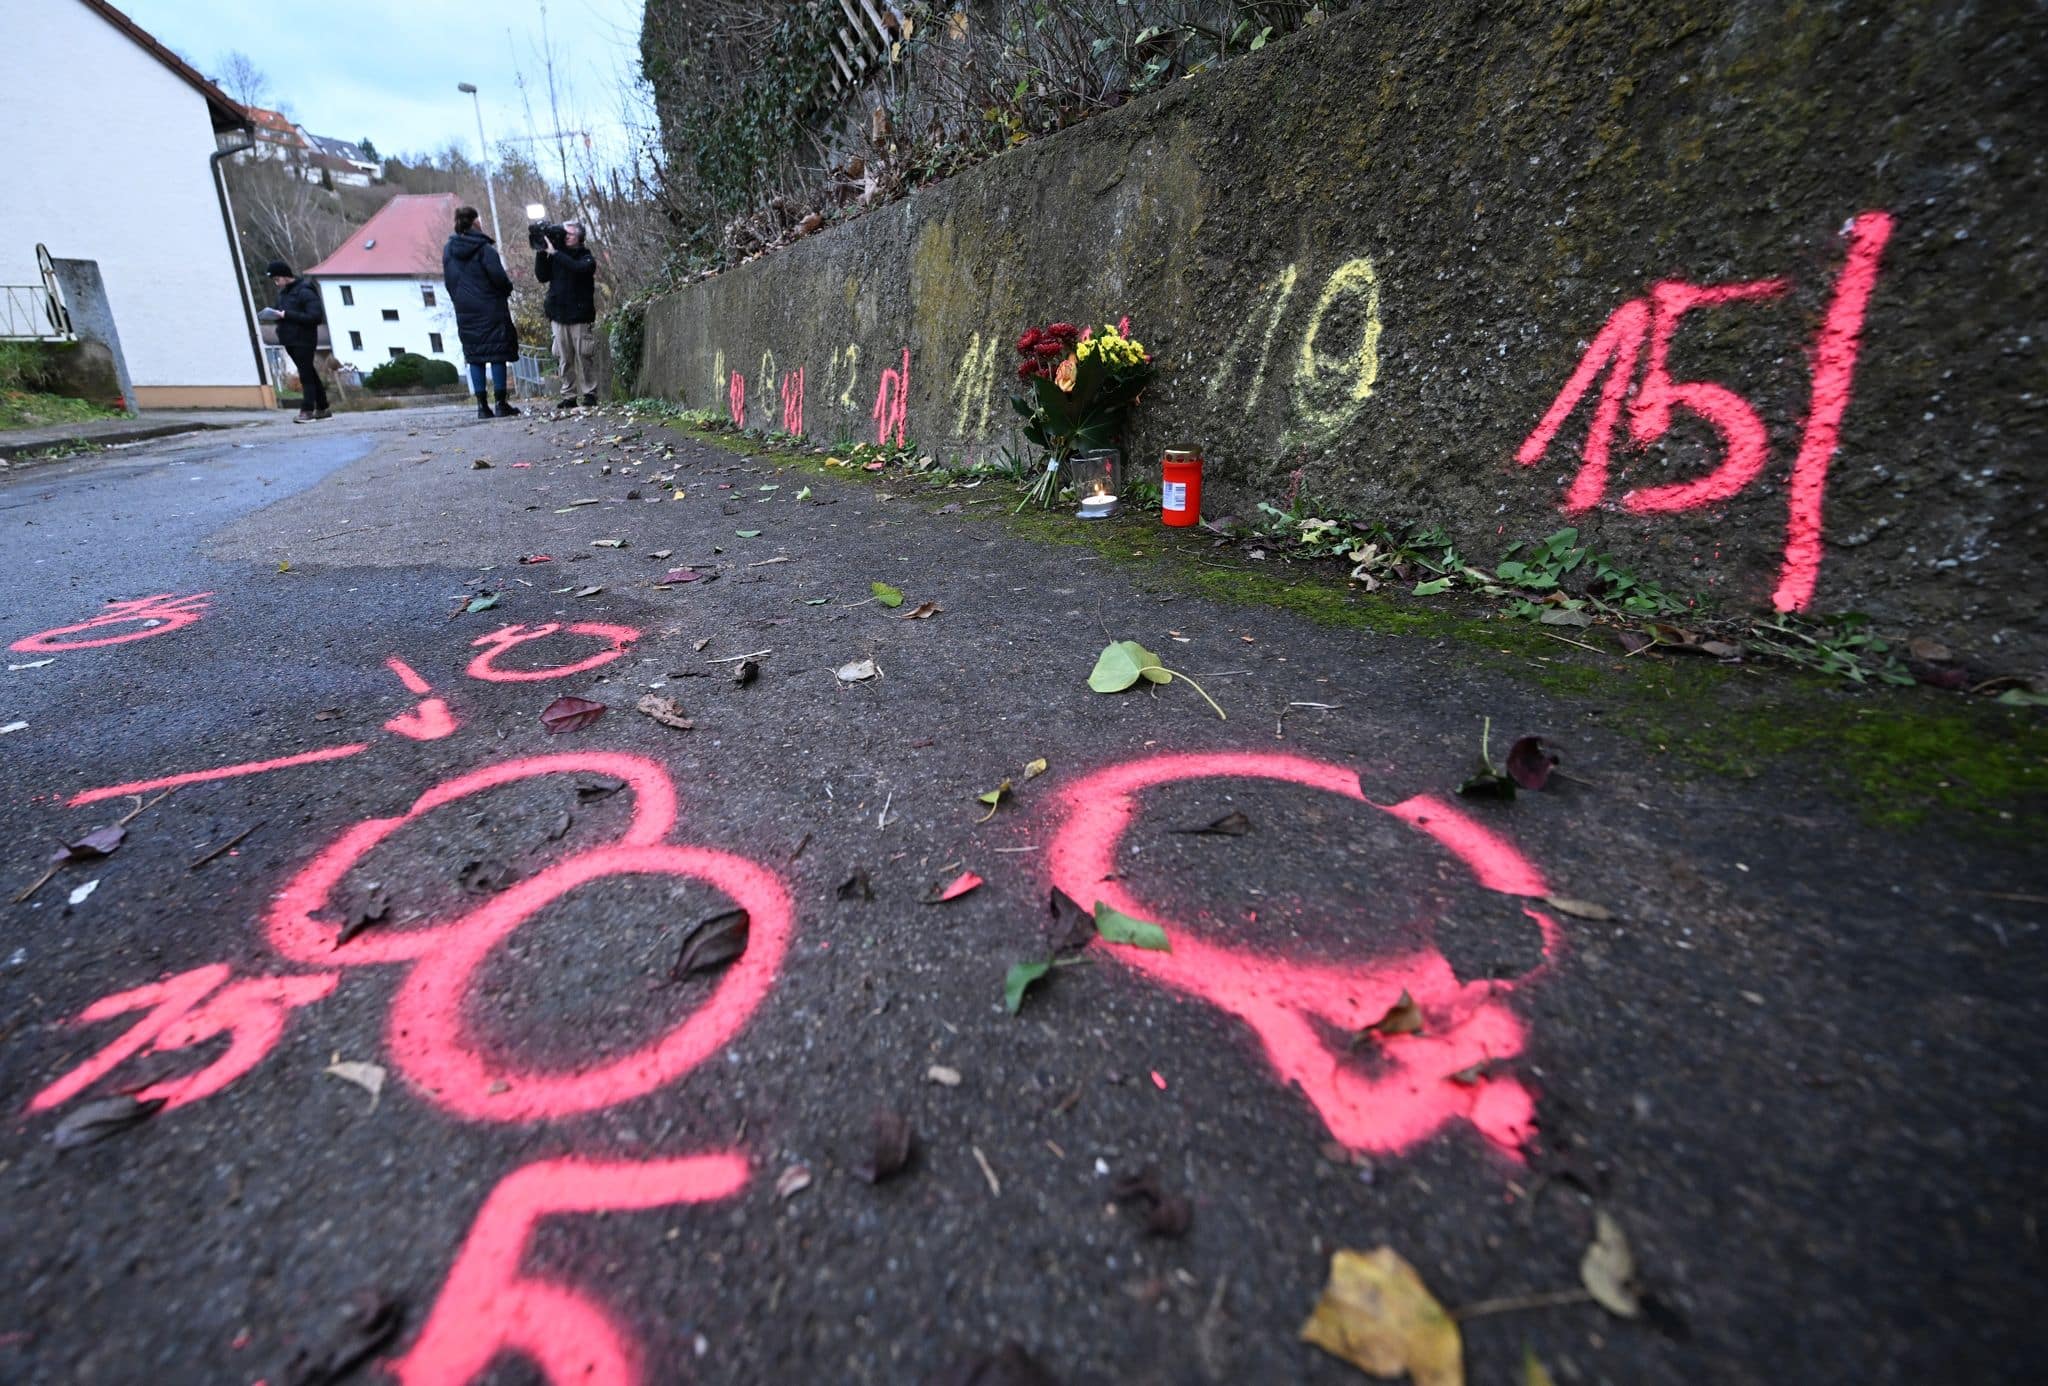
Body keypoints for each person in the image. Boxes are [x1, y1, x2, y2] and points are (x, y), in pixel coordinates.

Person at [441, 205, 521, 420]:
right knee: (497, 355)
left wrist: (460, 301)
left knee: (474, 356)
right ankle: (501, 403)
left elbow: (449, 281)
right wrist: (506, 290)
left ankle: (481, 406)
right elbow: (498, 277)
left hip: (465, 310)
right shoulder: (484, 249)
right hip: (491, 308)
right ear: (476, 222)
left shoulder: (449, 249)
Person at [535, 220, 599, 408]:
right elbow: (541, 276)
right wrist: (541, 251)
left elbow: (580, 269)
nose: (565, 237)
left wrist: (555, 253)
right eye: (564, 234)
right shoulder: (555, 254)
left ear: (580, 237)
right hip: (558, 313)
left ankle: (590, 394)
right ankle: (568, 395)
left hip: (579, 314)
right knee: (564, 357)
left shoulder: (585, 256)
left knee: (584, 355)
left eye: (569, 234)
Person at [263, 261, 329, 422]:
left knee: (305, 375)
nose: (276, 283)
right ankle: (323, 407)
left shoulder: (305, 291)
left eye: (277, 279)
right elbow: (282, 313)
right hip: (289, 338)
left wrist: (287, 315)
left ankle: (307, 410)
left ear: (286, 276)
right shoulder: (283, 294)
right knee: (309, 372)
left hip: (304, 338)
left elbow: (315, 317)